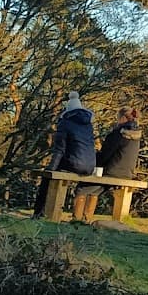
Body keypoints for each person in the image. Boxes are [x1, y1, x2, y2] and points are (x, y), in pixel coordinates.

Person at [33, 91, 96, 219]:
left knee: (47, 179)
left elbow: (59, 149)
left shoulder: (65, 124)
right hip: (90, 165)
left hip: (74, 163)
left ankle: (39, 212)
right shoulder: (88, 125)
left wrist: (50, 169)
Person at [97, 105, 143, 180]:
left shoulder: (118, 134)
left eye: (117, 119)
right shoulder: (136, 136)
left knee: (81, 189)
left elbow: (104, 155)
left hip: (111, 173)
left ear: (123, 118)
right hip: (127, 175)